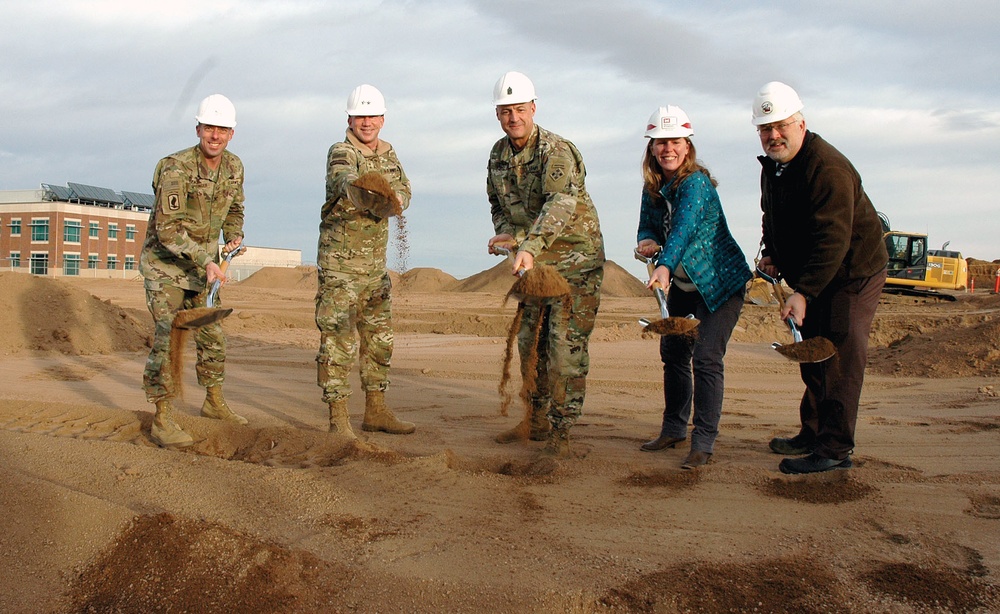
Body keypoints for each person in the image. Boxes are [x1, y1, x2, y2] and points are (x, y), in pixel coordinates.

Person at [751, 81, 888, 474]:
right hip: (816, 272)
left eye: (781, 126)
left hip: (851, 274)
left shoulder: (826, 168)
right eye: (765, 129)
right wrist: (774, 253)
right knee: (812, 354)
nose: (773, 135)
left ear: (801, 124)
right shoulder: (775, 168)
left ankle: (834, 449)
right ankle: (812, 431)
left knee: (839, 359)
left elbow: (834, 239)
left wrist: (804, 292)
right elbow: (772, 216)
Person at [486, 71, 605, 458]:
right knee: (529, 344)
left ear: (533, 108)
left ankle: (561, 433)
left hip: (574, 263)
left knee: (563, 349)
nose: (513, 118)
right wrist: (507, 236)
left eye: (520, 109)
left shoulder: (556, 151)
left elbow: (560, 205)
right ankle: (534, 421)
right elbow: (499, 206)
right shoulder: (497, 156)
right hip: (533, 265)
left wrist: (531, 246)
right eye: (505, 111)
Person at [636, 105, 752, 469]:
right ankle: (673, 428)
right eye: (659, 142)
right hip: (686, 285)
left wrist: (666, 264)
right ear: (652, 148)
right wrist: (648, 241)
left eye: (674, 141)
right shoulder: (654, 187)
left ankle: (703, 442)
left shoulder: (696, 184)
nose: (666, 149)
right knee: (673, 352)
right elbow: (648, 225)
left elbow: (684, 228)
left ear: (687, 146)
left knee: (705, 358)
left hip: (719, 284)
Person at [140, 94, 247, 449]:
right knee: (168, 336)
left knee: (213, 336)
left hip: (204, 269)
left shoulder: (234, 167)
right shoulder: (176, 168)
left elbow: (235, 209)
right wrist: (207, 260)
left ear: (232, 133)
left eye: (222, 129)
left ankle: (213, 402)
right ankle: (163, 418)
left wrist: (233, 236)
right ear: (198, 128)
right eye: (209, 127)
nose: (215, 135)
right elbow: (167, 230)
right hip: (166, 267)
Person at [316, 84, 414, 438]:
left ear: (383, 119)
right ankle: (338, 418)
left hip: (375, 269)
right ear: (350, 120)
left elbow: (404, 189)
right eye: (360, 116)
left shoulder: (390, 155)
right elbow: (343, 179)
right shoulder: (341, 151)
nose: (366, 122)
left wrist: (395, 200)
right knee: (338, 341)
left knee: (379, 340)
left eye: (372, 116)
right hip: (341, 267)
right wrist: (367, 191)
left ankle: (376, 410)